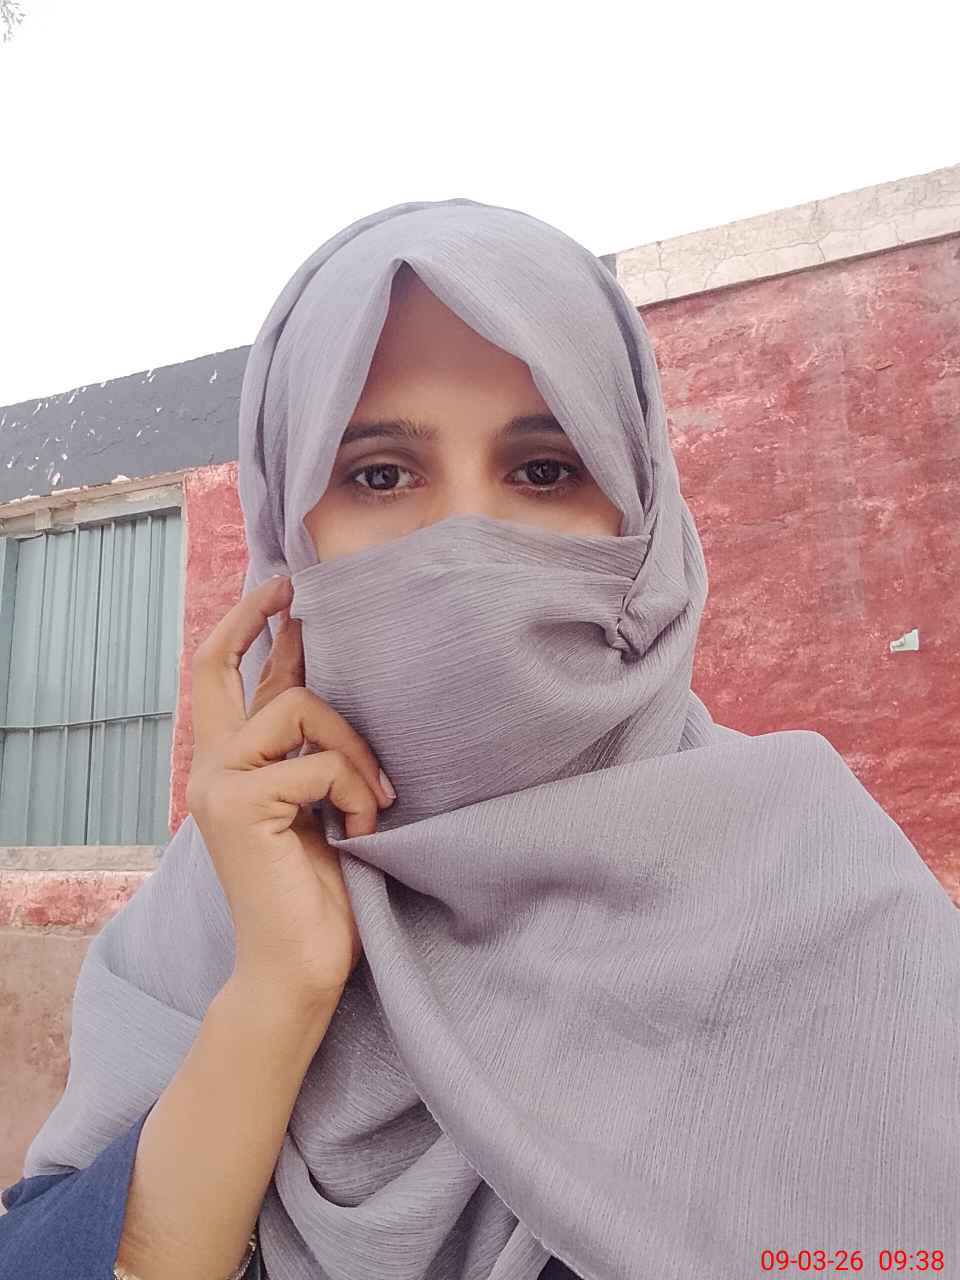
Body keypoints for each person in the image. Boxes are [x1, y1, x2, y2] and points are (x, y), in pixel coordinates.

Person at [2, 198, 958, 1280]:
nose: (464, 539)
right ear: (286, 537)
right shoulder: (215, 905)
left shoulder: (822, 897)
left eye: (545, 469)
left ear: (639, 514)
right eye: (377, 474)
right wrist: (277, 990)